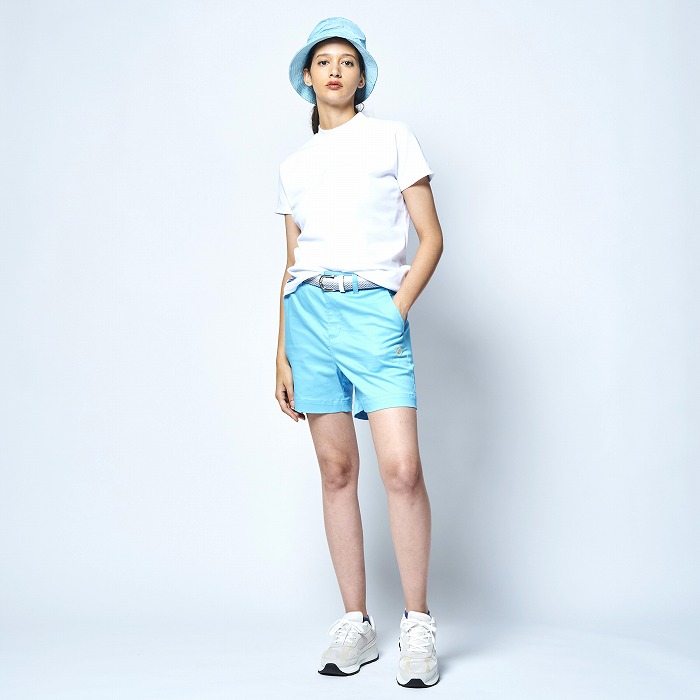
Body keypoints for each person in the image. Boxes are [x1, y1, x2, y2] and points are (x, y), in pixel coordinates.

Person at [274, 17, 444, 689]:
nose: (336, 70)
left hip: (373, 309)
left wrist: (394, 311)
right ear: (307, 77)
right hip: (308, 315)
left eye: (348, 61)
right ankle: (356, 623)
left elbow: (431, 237)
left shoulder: (392, 138)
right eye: (324, 62)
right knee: (337, 470)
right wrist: (281, 353)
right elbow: (291, 261)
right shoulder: (293, 165)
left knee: (401, 470)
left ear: (362, 76)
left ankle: (418, 624)